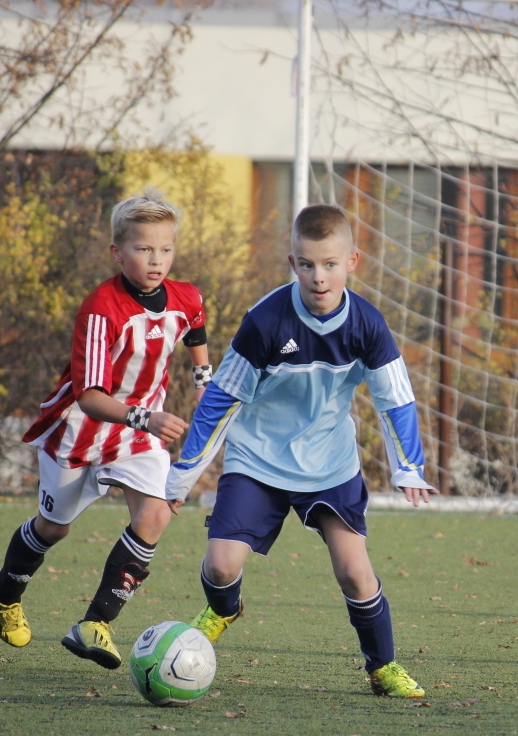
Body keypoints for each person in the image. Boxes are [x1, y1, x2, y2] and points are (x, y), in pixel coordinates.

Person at [166, 204, 436, 698]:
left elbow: (395, 398)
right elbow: (222, 399)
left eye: (330, 264)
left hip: (328, 461)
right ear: (293, 263)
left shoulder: (368, 326)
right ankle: (224, 609)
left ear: (352, 260)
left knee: (355, 572)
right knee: (222, 566)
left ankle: (383, 668)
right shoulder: (266, 321)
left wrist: (409, 466)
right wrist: (184, 472)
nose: (319, 276)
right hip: (257, 459)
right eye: (308, 264)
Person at [0, 189, 212, 669]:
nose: (156, 259)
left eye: (165, 249)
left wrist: (203, 379)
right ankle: (3, 590)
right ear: (117, 252)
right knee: (54, 528)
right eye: (143, 249)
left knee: (155, 517)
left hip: (138, 432)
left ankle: (95, 624)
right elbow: (89, 396)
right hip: (81, 428)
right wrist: (147, 416)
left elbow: (196, 324)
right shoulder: (102, 309)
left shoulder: (185, 295)